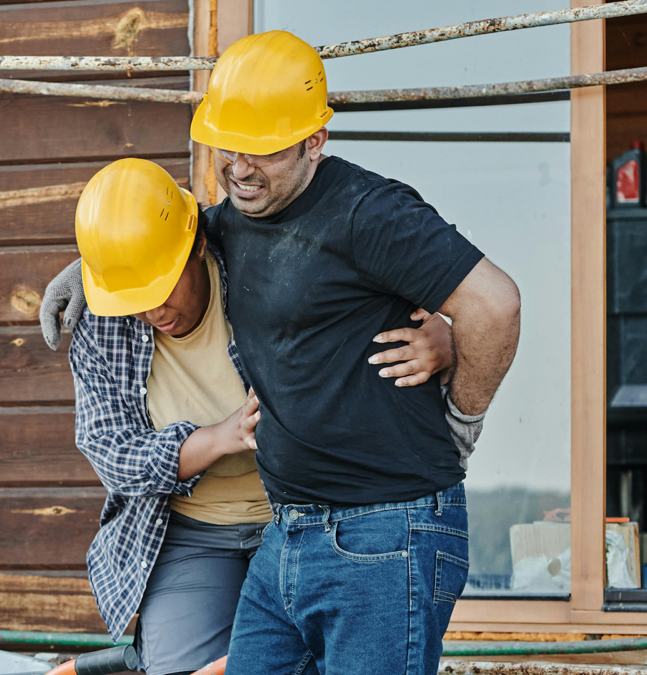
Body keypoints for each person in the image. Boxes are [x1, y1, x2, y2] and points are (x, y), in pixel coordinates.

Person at [43, 30, 521, 675]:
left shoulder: (368, 212)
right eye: (227, 147)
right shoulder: (239, 221)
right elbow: (171, 229)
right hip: (293, 531)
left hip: (383, 526)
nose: (239, 167)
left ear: (315, 141)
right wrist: (87, 268)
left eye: (262, 151)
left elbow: (494, 304)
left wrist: (460, 403)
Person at [66, 158, 479, 675]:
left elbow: (359, 301)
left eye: (161, 287)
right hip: (190, 530)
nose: (151, 311)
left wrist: (448, 336)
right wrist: (219, 437)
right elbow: (112, 455)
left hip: (299, 513)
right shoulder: (102, 322)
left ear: (195, 247)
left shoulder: (257, 254)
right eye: (133, 298)